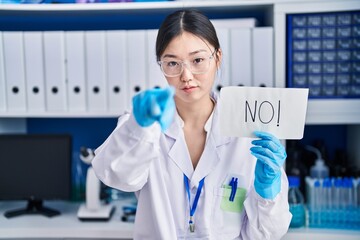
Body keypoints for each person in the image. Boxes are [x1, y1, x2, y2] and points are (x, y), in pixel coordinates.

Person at [92, 9, 292, 240]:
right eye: (172, 63)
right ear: (161, 66)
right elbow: (115, 176)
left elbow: (265, 234)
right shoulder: (144, 126)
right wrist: (140, 127)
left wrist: (268, 191)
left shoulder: (248, 131)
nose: (186, 75)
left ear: (217, 58)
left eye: (197, 60)